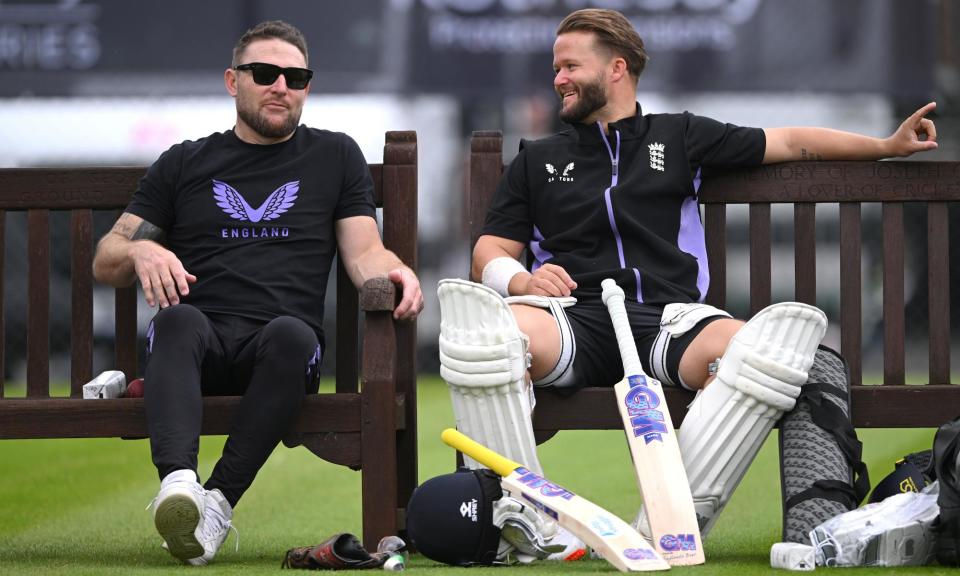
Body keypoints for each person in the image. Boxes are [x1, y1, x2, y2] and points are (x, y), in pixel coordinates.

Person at [436, 7, 937, 562]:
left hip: (668, 319)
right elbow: (489, 251)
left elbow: (791, 142)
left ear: (617, 68)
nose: (557, 79)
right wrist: (524, 277)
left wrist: (885, 145)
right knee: (486, 335)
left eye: (570, 66)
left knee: (777, 353)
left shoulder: (679, 135)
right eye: (555, 68)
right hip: (571, 318)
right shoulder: (538, 158)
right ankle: (522, 523)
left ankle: (671, 525)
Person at [92, 20, 423, 565]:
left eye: (296, 77)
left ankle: (216, 505)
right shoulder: (186, 161)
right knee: (176, 321)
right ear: (232, 81)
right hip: (198, 347)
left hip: (281, 354)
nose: (281, 87)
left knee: (293, 334)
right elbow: (108, 256)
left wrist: (396, 272)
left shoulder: (334, 156)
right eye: (266, 73)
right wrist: (139, 250)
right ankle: (179, 486)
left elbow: (365, 253)